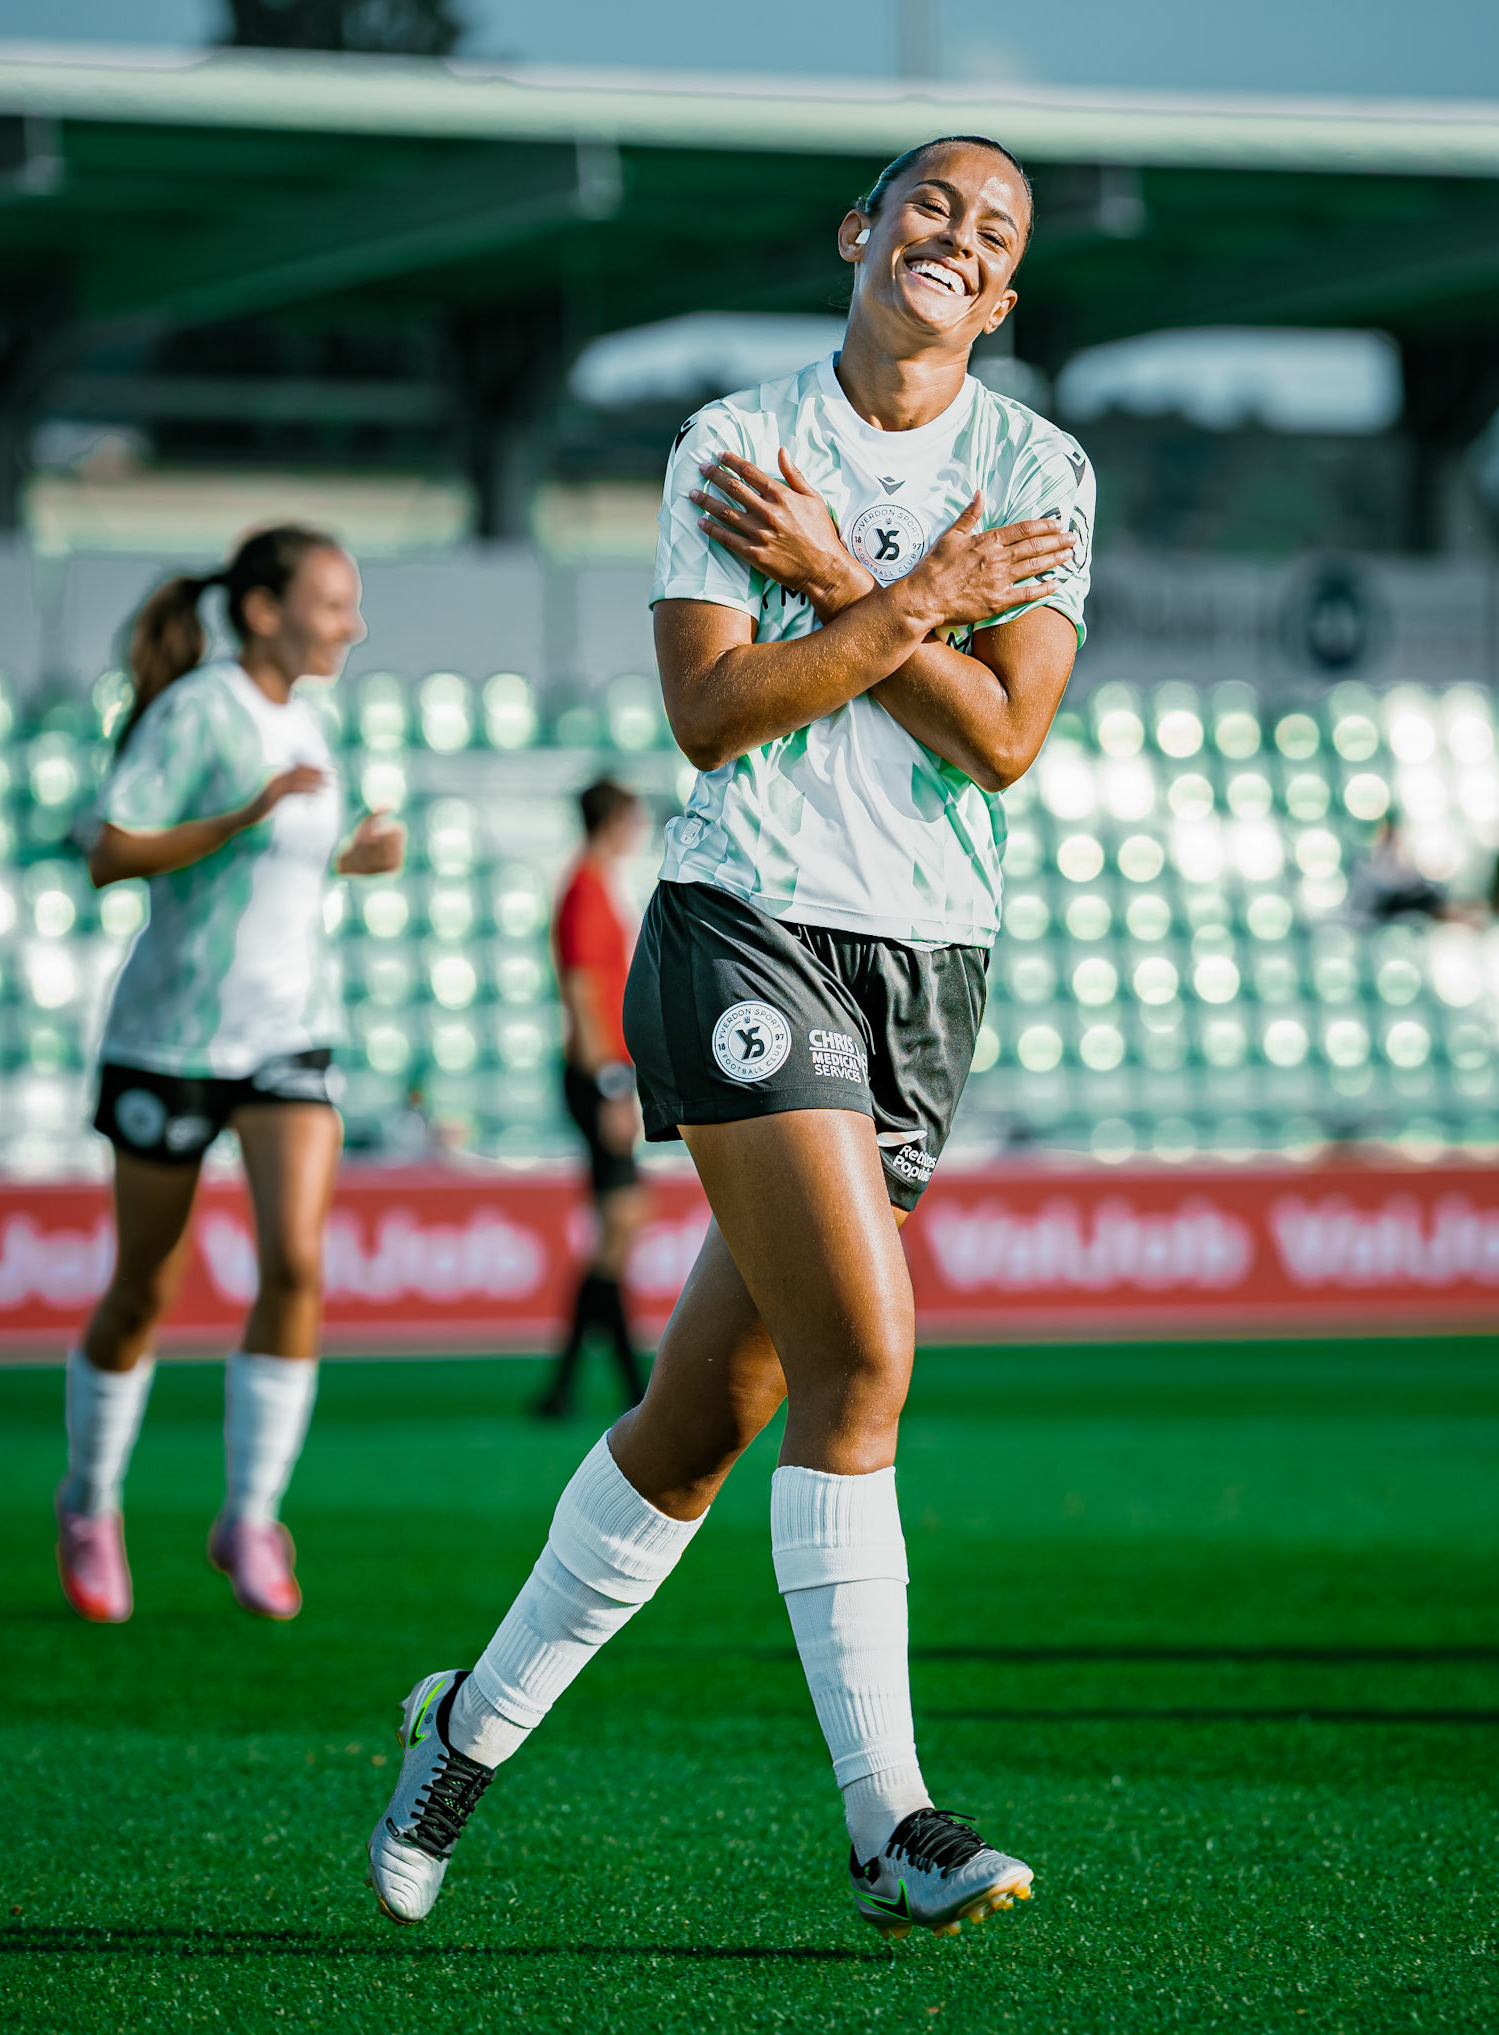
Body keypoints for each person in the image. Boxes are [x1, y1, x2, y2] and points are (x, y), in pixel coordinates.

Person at [365, 136, 1092, 1938]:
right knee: (865, 1354)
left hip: (926, 962)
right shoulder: (734, 442)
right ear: (860, 231)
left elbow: (1001, 741)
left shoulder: (1039, 469)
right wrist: (915, 602)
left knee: (697, 1423)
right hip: (742, 921)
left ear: (1003, 297)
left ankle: (463, 1729)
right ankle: (888, 1822)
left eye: (993, 231)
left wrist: (845, 582)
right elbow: (711, 715)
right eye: (929, 204)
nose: (956, 235)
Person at [54, 525, 405, 1626]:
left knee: (296, 1264)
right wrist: (244, 814)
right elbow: (110, 851)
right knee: (145, 1287)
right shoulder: (198, 711)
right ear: (262, 611)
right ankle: (89, 1501)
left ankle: (251, 1515)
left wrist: (353, 857)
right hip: (169, 1040)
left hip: (288, 1035)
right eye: (332, 604)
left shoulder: (313, 717)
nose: (352, 625)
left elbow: (286, 868)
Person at [534, 778, 652, 1419]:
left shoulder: (596, 884)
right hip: (596, 1073)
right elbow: (581, 990)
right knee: (621, 1221)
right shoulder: (584, 887)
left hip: (605, 1070)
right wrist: (610, 1083)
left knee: (618, 1226)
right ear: (613, 822)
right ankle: (619, 1382)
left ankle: (575, 1386)